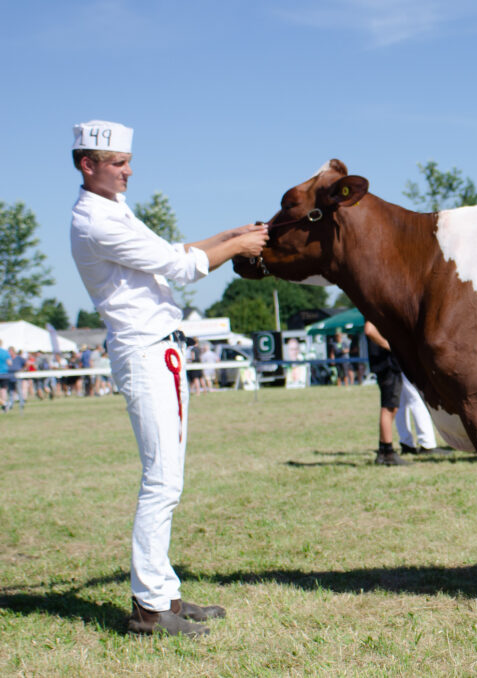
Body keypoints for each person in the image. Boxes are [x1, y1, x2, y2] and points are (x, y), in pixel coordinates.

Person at [69, 120, 268, 637]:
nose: (128, 170)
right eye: (117, 163)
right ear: (87, 165)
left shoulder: (114, 210)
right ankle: (151, 608)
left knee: (168, 479)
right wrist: (240, 246)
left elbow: (173, 251)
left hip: (161, 350)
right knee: (161, 481)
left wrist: (230, 236)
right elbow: (180, 269)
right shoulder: (96, 220)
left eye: (128, 161)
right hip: (144, 351)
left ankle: (165, 594)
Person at [363, 321, 412, 466]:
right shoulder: (373, 309)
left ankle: (384, 451)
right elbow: (369, 329)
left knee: (391, 407)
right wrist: (387, 345)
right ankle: (386, 452)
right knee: (389, 407)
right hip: (387, 364)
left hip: (387, 364)